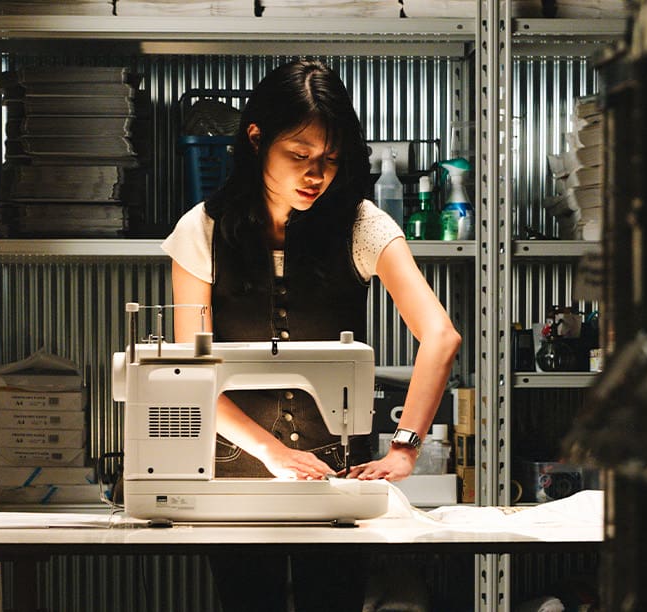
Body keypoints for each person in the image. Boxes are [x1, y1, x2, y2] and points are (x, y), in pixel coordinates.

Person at [160, 60, 462, 611]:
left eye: (330, 160)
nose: (315, 174)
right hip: (232, 483)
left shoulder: (363, 225)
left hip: (338, 481)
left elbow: (440, 337)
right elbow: (189, 374)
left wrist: (405, 449)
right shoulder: (201, 229)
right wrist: (272, 451)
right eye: (298, 156)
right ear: (256, 140)